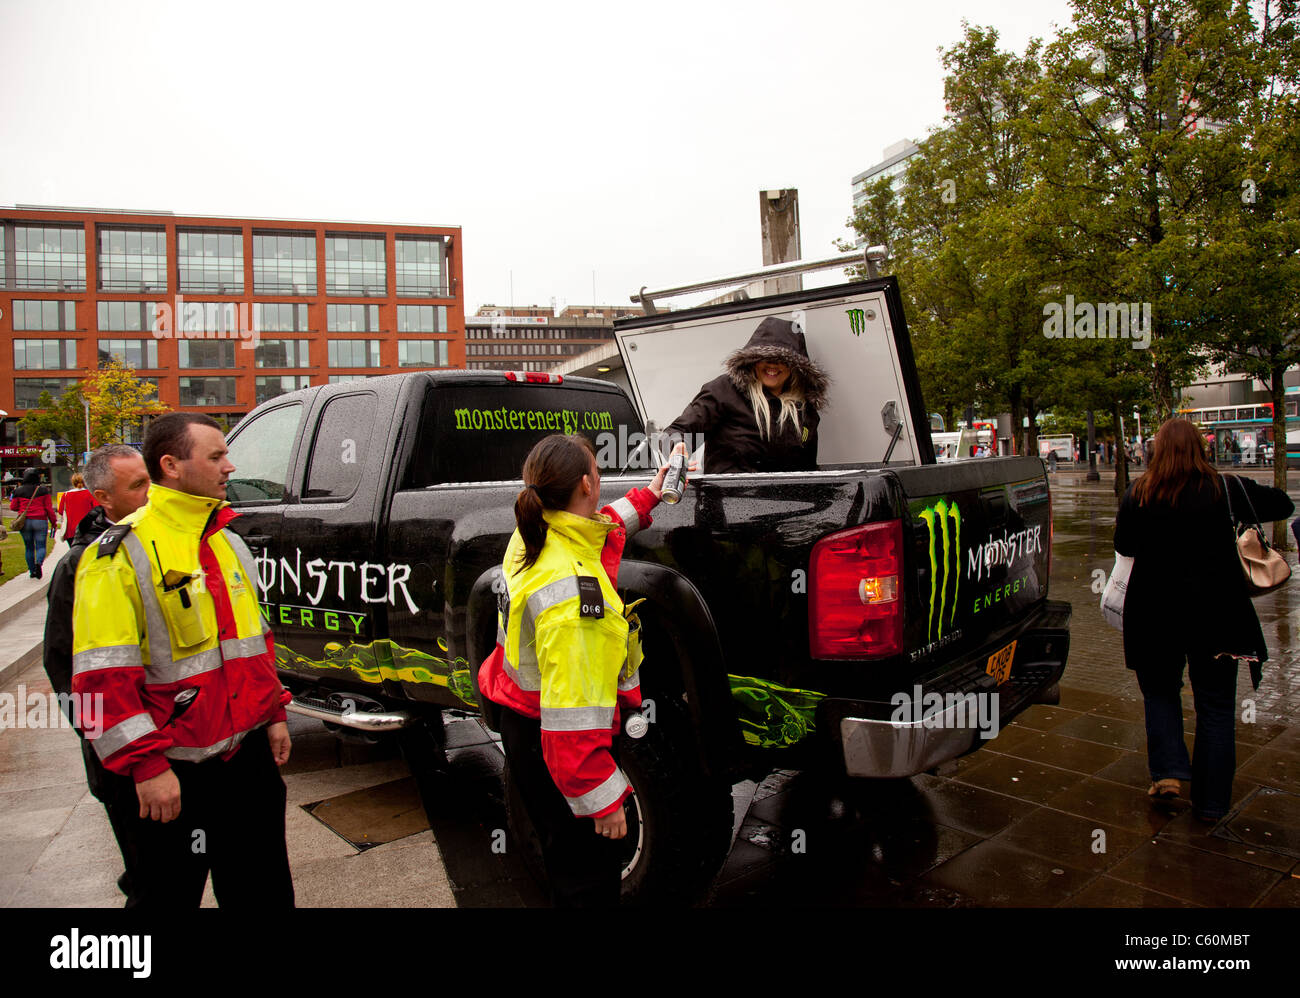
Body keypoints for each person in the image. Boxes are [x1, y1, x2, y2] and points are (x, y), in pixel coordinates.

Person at [71, 413, 295, 908]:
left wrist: (274, 713)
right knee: (165, 898)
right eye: (216, 456)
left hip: (247, 760)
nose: (230, 466)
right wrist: (146, 767)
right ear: (171, 465)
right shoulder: (118, 554)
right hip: (172, 771)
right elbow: (100, 680)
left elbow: (254, 643)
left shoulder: (228, 542)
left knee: (264, 893)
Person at [478, 433, 679, 906]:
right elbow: (573, 717)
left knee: (563, 861)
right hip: (557, 746)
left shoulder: (530, 534)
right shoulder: (575, 596)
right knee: (589, 879)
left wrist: (651, 495)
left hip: (522, 726)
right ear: (588, 484)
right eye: (597, 473)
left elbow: (596, 525)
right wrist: (599, 798)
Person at [1114, 419, 1294, 822]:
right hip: (1217, 616)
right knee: (1216, 707)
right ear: (1203, 449)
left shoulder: (1138, 493)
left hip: (1155, 616)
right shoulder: (1227, 488)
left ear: (1155, 451)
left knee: (1160, 693)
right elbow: (1284, 504)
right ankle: (1212, 804)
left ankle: (1168, 773)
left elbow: (1124, 545)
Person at [44, 445, 151, 904]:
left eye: (151, 479)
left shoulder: (159, 543)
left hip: (170, 744)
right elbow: (62, 664)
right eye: (138, 486)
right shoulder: (80, 564)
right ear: (103, 498)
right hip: (121, 756)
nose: (152, 493)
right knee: (149, 877)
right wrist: (103, 741)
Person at [663, 316, 829, 474]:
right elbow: (675, 432)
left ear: (794, 367)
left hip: (788, 502)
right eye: (765, 358)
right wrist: (678, 447)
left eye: (783, 360)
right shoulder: (725, 390)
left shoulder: (805, 409)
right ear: (753, 360)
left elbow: (808, 472)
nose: (773, 365)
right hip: (728, 500)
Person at [9, 468, 54, 578]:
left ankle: (32, 571)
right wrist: (53, 522)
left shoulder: (18, 490)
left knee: (28, 547)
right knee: (41, 546)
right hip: (40, 520)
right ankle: (39, 563)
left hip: (25, 522)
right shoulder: (43, 490)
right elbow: (48, 508)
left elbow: (13, 507)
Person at [56, 471, 97, 544]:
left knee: (74, 552)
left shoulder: (66, 495)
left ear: (73, 482)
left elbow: (60, 511)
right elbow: (97, 509)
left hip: (71, 531)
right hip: (87, 528)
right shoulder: (90, 494)